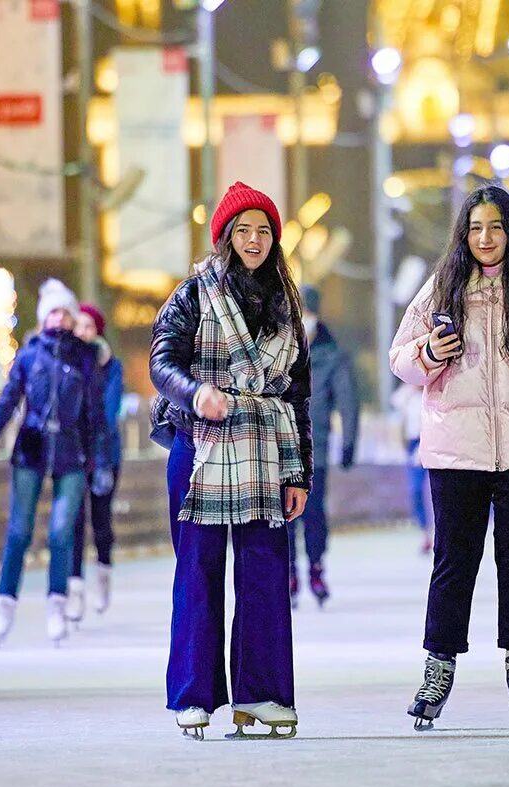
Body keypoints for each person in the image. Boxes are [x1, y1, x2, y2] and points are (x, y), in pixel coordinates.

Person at [390, 184, 509, 731]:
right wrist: (427, 354)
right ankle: (438, 666)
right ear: (463, 235)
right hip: (457, 447)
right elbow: (400, 358)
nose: (485, 238)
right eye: (475, 228)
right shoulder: (442, 287)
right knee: (454, 563)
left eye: (495, 227)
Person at [149, 182, 311, 740]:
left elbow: (298, 395)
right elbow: (161, 360)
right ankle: (193, 696)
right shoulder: (193, 293)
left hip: (268, 452)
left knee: (265, 572)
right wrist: (195, 394)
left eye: (263, 230)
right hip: (201, 449)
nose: (254, 240)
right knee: (198, 570)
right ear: (224, 237)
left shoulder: (286, 304)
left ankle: (261, 695)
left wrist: (300, 475)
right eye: (242, 230)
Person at [0, 279, 108, 649]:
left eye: (65, 312)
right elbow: (8, 402)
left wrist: (102, 460)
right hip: (30, 448)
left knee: (62, 531)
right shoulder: (29, 356)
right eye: (53, 312)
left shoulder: (85, 358)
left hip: (71, 452)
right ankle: (4, 606)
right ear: (44, 317)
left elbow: (95, 414)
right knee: (19, 530)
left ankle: (56, 605)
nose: (59, 319)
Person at [288, 284, 360, 610]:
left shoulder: (332, 354)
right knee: (283, 515)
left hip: (314, 449)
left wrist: (348, 444)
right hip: (278, 446)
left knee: (313, 512)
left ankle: (316, 567)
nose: (306, 320)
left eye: (310, 313)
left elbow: (348, 402)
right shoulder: (281, 350)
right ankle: (288, 571)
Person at [66, 303, 124, 622]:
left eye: (90, 327)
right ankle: (75, 589)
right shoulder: (68, 361)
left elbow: (110, 410)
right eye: (80, 326)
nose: (83, 333)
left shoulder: (110, 365)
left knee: (101, 520)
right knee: (74, 522)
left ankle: (103, 574)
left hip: (105, 455)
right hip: (74, 453)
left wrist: (100, 450)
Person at [391, 382, 432, 553]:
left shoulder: (434, 389)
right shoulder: (405, 395)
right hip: (413, 443)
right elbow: (399, 418)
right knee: (415, 490)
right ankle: (425, 533)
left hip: (435, 439)